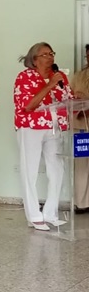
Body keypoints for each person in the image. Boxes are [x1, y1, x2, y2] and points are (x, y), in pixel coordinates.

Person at [14, 42, 73, 231]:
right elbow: (28, 105)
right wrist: (50, 86)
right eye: (45, 54)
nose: (50, 57)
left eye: (51, 53)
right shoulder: (25, 77)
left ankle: (50, 213)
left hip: (55, 126)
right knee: (29, 170)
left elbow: (69, 100)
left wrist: (75, 99)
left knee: (57, 170)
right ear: (34, 59)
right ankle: (33, 215)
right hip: (31, 126)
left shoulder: (60, 76)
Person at [69, 43, 89, 213]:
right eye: (87, 55)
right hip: (81, 125)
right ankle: (82, 203)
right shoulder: (78, 77)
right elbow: (69, 97)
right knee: (81, 164)